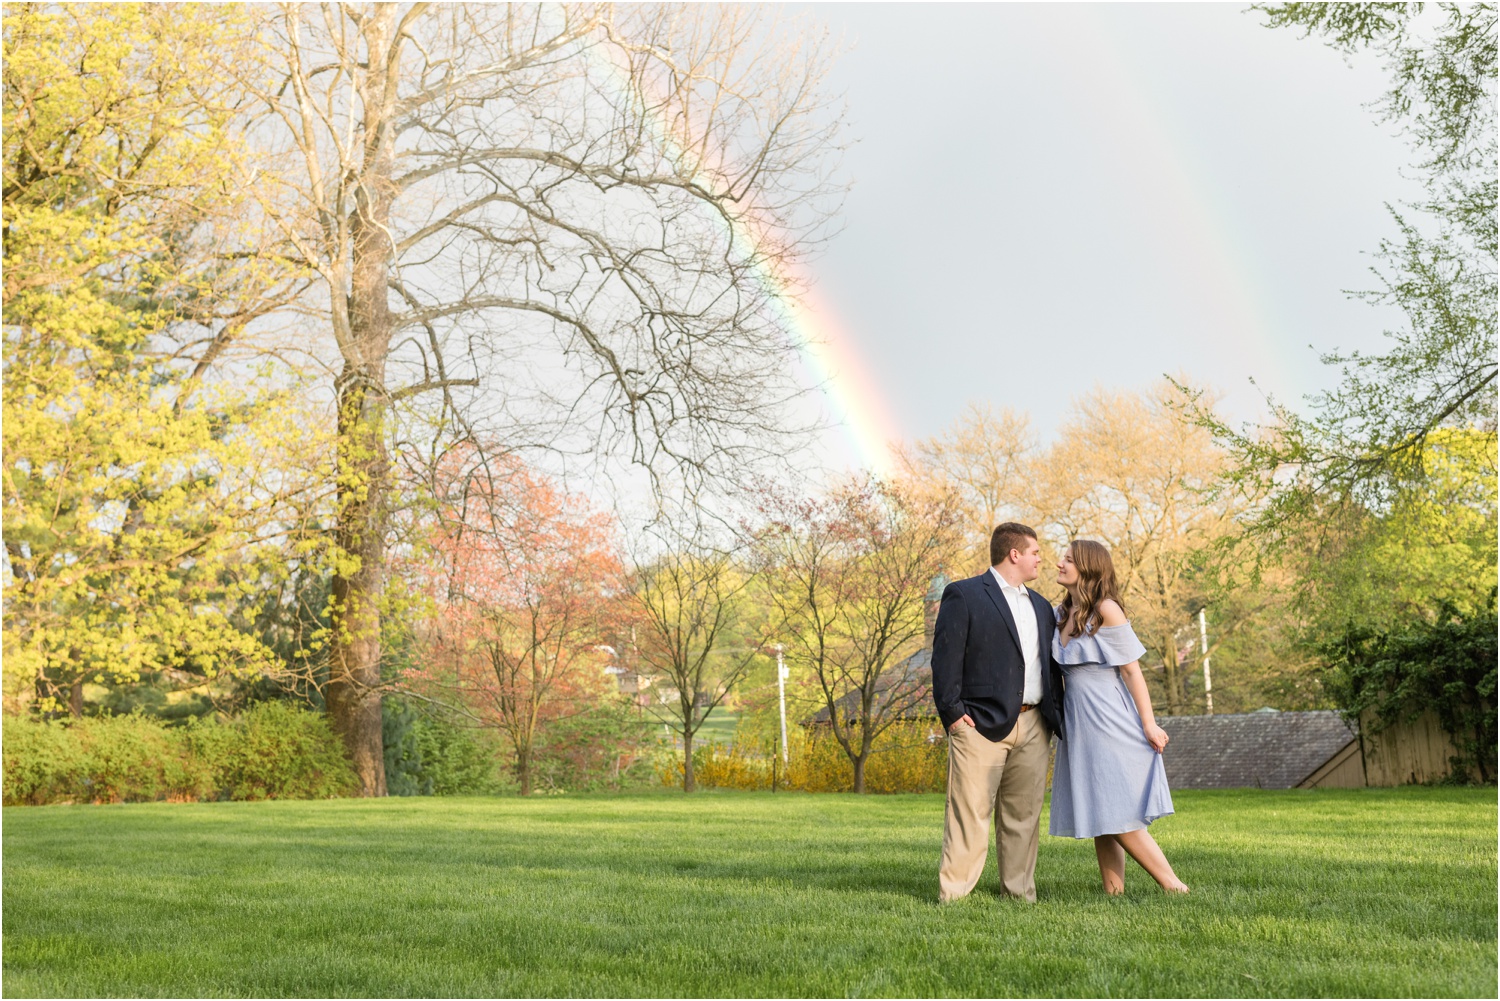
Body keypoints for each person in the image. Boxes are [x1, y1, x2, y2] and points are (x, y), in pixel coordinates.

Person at [931, 522, 1065, 903]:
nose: (1042, 558)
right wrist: (953, 714)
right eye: (1036, 552)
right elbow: (945, 659)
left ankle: (1019, 894)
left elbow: (1047, 666)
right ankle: (954, 895)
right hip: (977, 726)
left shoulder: (1041, 606)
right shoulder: (965, 595)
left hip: (1035, 725)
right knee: (969, 814)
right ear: (1014, 554)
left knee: (1023, 817)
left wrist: (1051, 719)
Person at [1049, 539, 1188, 895]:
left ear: (1088, 567)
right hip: (1078, 723)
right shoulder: (1060, 614)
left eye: (1067, 559)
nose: (1059, 563)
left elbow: (1132, 672)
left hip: (1108, 718)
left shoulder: (1106, 609)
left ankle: (1173, 886)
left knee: (1116, 809)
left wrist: (1149, 723)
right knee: (1100, 807)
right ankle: (1114, 892)